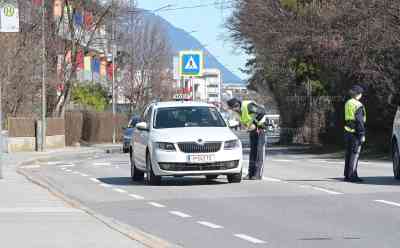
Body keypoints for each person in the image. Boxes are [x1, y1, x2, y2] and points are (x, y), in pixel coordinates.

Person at [227, 98, 267, 180]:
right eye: (232, 108)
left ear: (237, 105)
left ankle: (258, 174)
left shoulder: (247, 105)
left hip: (260, 129)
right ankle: (250, 173)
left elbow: (262, 112)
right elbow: (246, 120)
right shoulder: (237, 112)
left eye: (234, 107)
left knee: (259, 152)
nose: (234, 110)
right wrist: (247, 127)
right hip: (252, 130)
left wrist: (255, 124)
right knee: (252, 152)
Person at [344, 85, 366, 182]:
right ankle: (352, 175)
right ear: (359, 94)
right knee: (355, 154)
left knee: (348, 154)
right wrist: (362, 134)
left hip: (347, 131)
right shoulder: (358, 105)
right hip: (356, 133)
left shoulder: (348, 103)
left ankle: (347, 175)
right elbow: (359, 121)